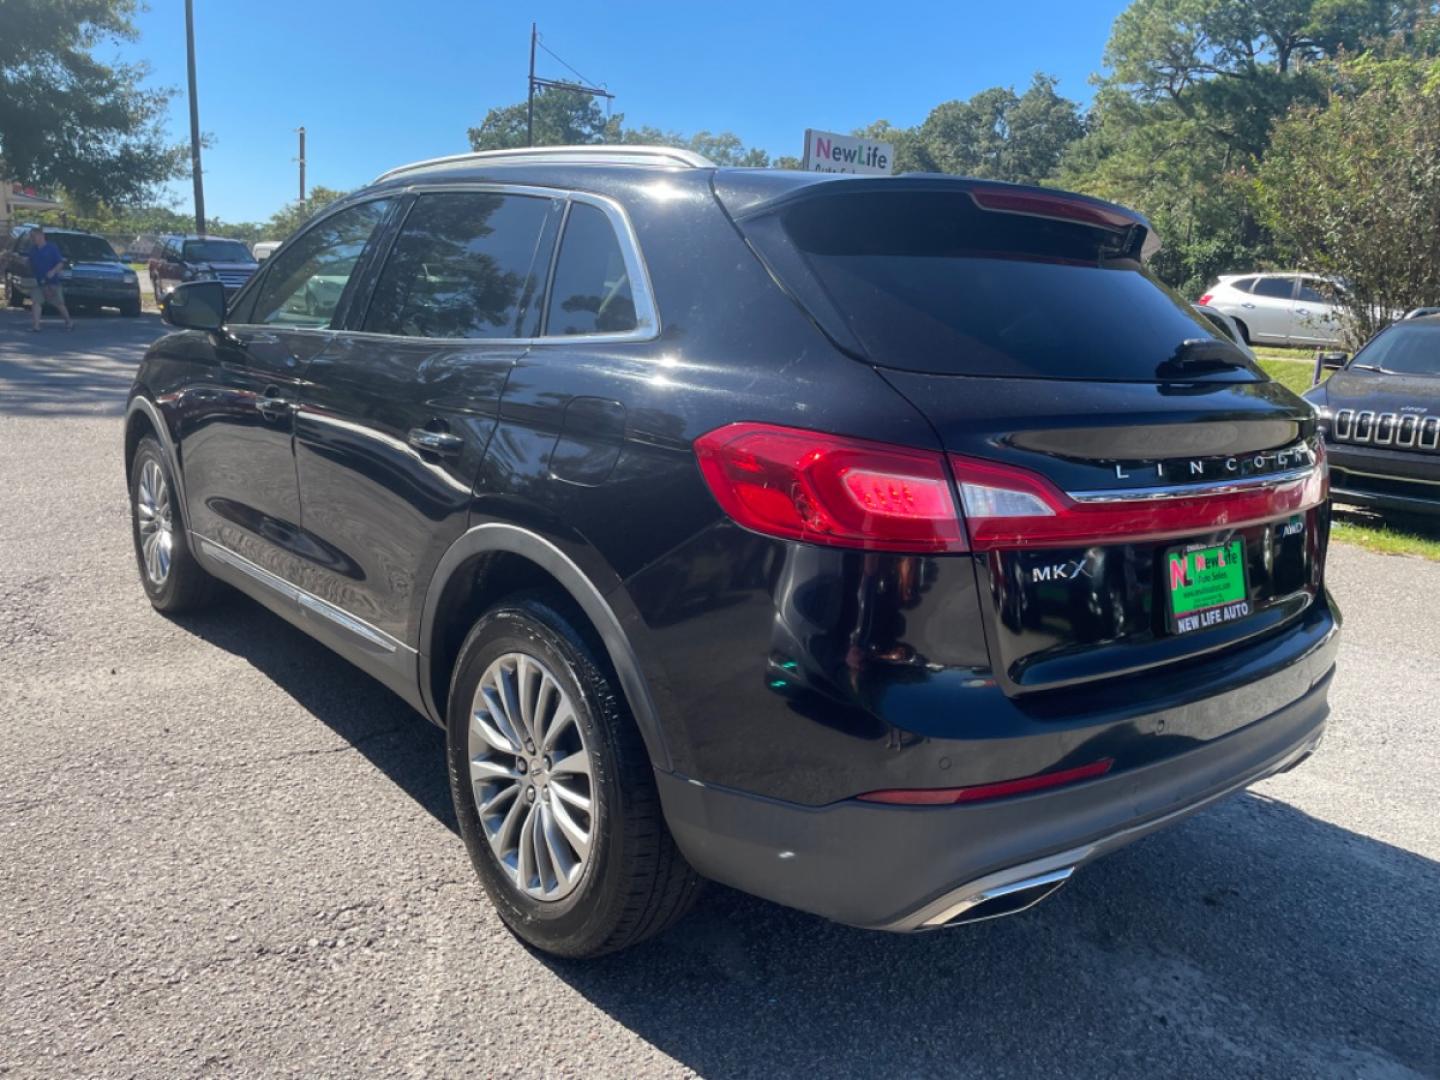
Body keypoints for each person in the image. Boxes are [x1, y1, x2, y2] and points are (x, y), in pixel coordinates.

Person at [25, 227, 73, 332]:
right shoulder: (33, 250)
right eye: (31, 236)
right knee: (36, 302)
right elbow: (30, 264)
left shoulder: (52, 248)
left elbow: (60, 263)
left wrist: (53, 271)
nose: (32, 238)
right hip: (39, 282)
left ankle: (68, 321)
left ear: (41, 236)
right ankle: (36, 326)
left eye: (34, 236)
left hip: (52, 282)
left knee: (59, 304)